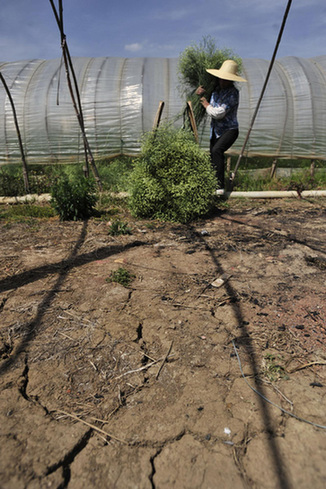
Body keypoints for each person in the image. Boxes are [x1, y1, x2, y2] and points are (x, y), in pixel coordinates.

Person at [196, 60, 247, 195]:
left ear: (231, 80)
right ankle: (212, 185)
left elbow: (218, 113)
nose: (222, 81)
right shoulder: (216, 91)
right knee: (212, 156)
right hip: (216, 131)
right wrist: (200, 94)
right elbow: (203, 95)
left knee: (217, 151)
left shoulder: (232, 94)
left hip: (229, 130)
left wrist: (206, 104)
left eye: (226, 79)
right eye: (221, 78)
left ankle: (219, 188)